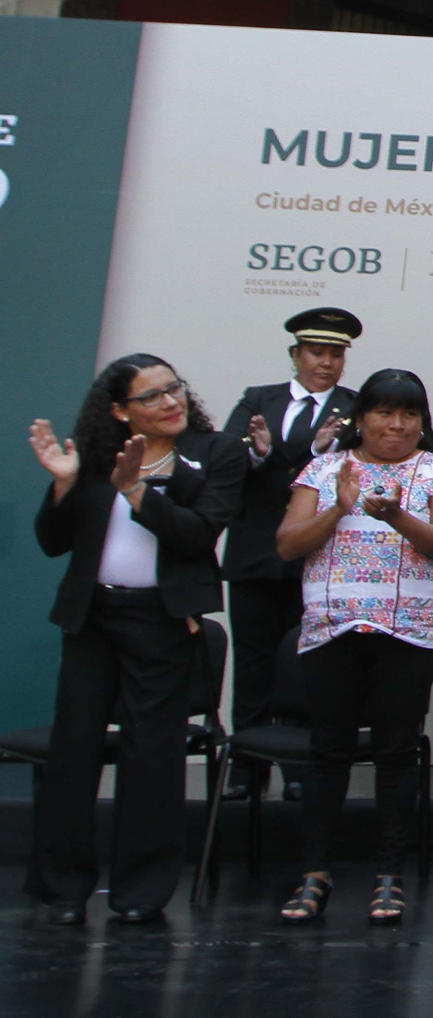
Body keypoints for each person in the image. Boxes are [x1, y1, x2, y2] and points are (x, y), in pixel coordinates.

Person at [26, 356, 244, 925]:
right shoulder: (95, 455)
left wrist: (141, 494)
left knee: (153, 755)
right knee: (72, 752)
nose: (170, 401)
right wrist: (64, 484)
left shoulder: (215, 453)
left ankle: (140, 893)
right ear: (121, 410)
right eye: (152, 396)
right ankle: (62, 889)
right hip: (93, 618)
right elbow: (52, 542)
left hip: (162, 622)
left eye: (174, 388)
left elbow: (198, 535)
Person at [271, 369, 433, 925]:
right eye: (384, 412)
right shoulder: (327, 468)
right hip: (331, 630)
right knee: (327, 751)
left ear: (421, 421)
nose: (396, 424)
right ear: (360, 418)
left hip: (406, 634)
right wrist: (339, 507)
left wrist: (397, 515)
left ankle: (389, 875)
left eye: (408, 414)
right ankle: (315, 873)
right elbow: (288, 544)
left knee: (396, 752)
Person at [222, 308, 361, 802]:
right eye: (317, 352)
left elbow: (352, 472)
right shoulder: (258, 400)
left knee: (308, 662)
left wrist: (317, 457)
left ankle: (300, 767)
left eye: (336, 354)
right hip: (257, 553)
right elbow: (227, 460)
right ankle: (246, 767)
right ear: (296, 355)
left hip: (316, 552)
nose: (326, 363)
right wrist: (261, 455)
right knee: (254, 663)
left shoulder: (355, 406)